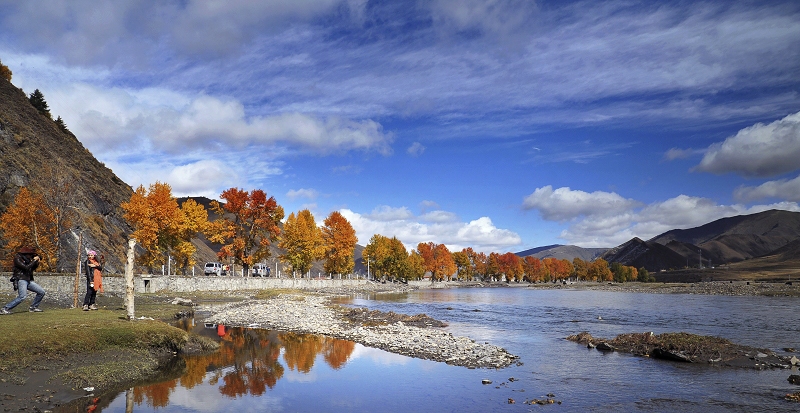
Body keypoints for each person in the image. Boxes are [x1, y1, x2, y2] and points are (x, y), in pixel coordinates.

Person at [1, 246, 46, 314]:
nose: (31, 256)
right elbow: (26, 268)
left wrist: (37, 262)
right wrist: (34, 260)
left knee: (41, 292)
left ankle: (33, 307)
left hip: (28, 280)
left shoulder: (28, 260)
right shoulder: (18, 259)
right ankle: (5, 308)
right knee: (22, 296)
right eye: (30, 254)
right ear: (26, 253)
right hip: (21, 279)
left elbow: (32, 268)